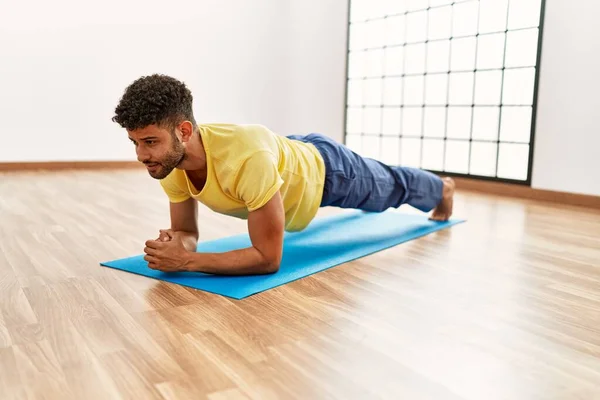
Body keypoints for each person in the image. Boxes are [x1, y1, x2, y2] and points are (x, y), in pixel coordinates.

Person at [112, 74, 455, 276]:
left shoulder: (246, 159)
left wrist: (187, 260)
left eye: (149, 142)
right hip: (284, 153)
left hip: (329, 171)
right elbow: (186, 230)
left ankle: (442, 188)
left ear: (184, 131)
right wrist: (174, 246)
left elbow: (268, 258)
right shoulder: (170, 161)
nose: (142, 155)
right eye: (135, 142)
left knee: (392, 189)